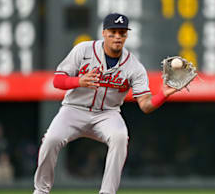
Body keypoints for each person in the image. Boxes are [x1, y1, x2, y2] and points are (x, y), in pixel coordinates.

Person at [33, 13, 177, 194]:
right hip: (74, 109)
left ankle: (107, 192)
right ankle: (41, 191)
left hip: (107, 113)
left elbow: (146, 105)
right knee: (51, 140)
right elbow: (58, 80)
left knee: (120, 137)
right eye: (113, 32)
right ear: (104, 33)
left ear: (126, 36)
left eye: (122, 33)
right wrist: (78, 81)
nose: (117, 36)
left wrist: (163, 94)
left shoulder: (134, 66)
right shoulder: (83, 50)